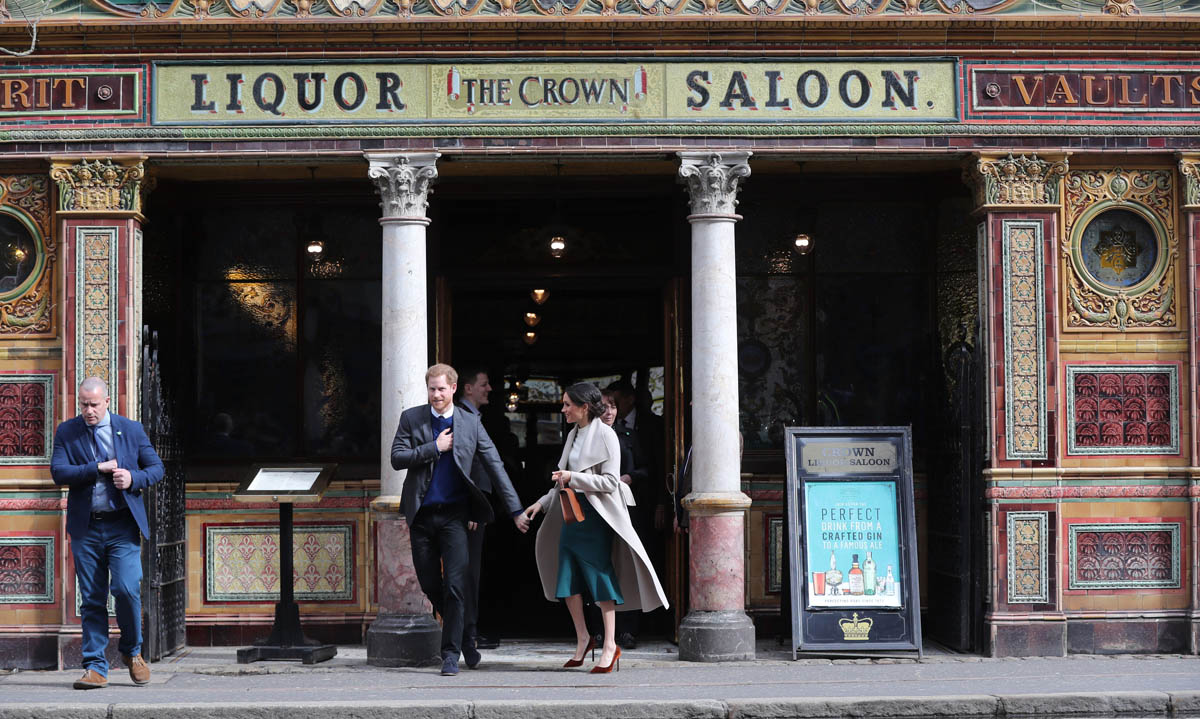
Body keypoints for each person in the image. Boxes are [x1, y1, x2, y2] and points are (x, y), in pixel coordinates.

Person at [391, 364, 530, 676]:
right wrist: (434, 448)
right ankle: (466, 635)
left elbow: (494, 465)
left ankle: (450, 654)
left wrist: (515, 510)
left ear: (453, 388)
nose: (436, 395)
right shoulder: (412, 418)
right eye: (432, 389)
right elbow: (397, 458)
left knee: (456, 586)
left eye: (441, 389)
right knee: (430, 584)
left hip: (455, 515)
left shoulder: (470, 422)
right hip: (422, 515)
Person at [521, 382, 667, 674]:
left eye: (567, 404)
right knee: (566, 578)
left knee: (599, 576)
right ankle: (584, 638)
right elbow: (562, 479)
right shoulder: (573, 434)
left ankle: (610, 645)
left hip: (596, 515)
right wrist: (542, 502)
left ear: (584, 407)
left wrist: (573, 477)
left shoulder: (606, 434)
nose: (563, 409)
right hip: (570, 513)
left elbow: (610, 482)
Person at [50, 377, 164, 690]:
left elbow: (157, 468)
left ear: (107, 401)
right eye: (84, 405)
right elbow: (58, 472)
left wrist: (133, 478)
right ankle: (95, 666)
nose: (89, 411)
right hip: (86, 527)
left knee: (127, 589)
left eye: (94, 405)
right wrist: (97, 468)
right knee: (92, 598)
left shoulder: (131, 429)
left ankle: (132, 651)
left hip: (122, 525)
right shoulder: (67, 431)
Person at [455, 365, 509, 651]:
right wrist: (472, 506)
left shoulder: (473, 417)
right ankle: (467, 633)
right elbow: (462, 467)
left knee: (471, 571)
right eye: (484, 384)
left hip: (477, 509)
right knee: (467, 572)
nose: (489, 389)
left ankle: (469, 630)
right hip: (469, 510)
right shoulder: (462, 418)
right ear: (468, 388)